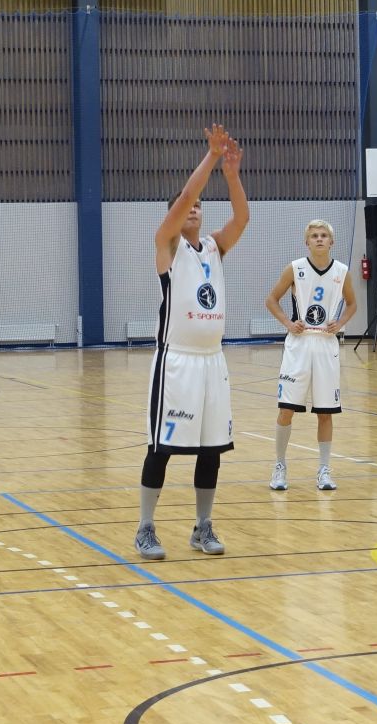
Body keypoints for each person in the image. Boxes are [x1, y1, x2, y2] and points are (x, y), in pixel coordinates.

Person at [139, 126, 248, 561]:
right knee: (161, 449)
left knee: (211, 448)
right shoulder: (167, 245)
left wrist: (232, 175)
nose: (194, 209)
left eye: (200, 207)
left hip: (212, 362)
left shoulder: (215, 248)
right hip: (177, 363)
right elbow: (186, 195)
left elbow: (241, 219)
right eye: (189, 207)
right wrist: (211, 157)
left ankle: (203, 526)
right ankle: (145, 527)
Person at [266, 219, 354, 491]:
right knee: (286, 410)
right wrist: (288, 323)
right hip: (299, 344)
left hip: (326, 345)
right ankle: (280, 466)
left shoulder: (342, 271)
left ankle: (324, 470)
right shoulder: (295, 268)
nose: (319, 239)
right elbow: (271, 300)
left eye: (324, 235)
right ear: (307, 242)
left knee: (325, 413)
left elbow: (352, 304)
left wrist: (340, 323)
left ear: (331, 241)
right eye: (314, 235)